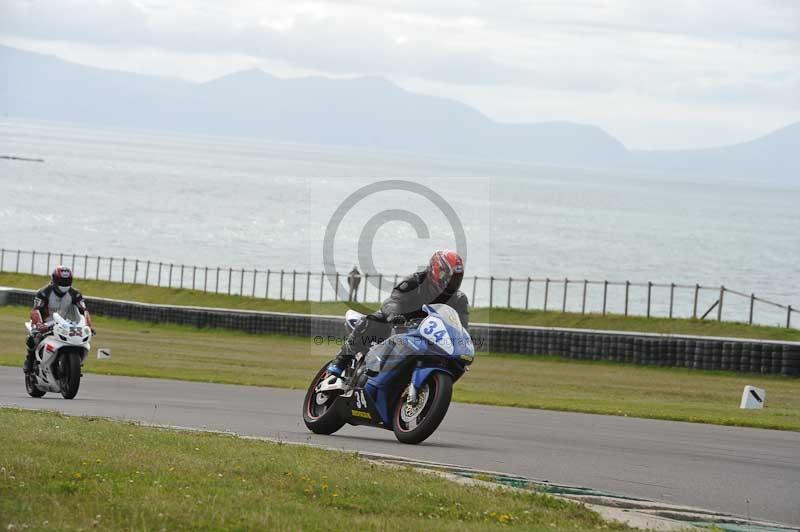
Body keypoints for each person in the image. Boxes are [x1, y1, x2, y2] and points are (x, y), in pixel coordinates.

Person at [327, 250, 468, 377]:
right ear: (435, 270)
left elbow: (460, 328)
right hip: (399, 324)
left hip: (426, 336)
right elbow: (394, 300)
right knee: (372, 320)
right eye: (447, 276)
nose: (451, 282)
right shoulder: (415, 281)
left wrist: (461, 346)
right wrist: (393, 315)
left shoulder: (459, 299)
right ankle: (340, 360)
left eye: (456, 278)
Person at [23, 266, 94, 374]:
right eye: (61, 281)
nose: (64, 284)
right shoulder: (43, 293)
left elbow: (83, 310)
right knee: (34, 338)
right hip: (45, 322)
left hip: (66, 323)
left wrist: (88, 326)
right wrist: (39, 324)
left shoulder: (76, 294)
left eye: (67, 281)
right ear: (54, 280)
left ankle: (73, 366)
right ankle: (29, 361)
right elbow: (35, 310)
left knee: (80, 340)